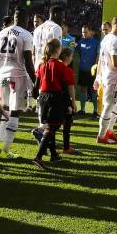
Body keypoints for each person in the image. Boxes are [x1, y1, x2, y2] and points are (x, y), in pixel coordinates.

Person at [0, 7, 36, 158]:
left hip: (3, 75)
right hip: (18, 75)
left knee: (5, 110)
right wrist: (35, 82)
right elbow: (29, 62)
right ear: (26, 19)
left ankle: (0, 146)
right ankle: (5, 150)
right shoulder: (26, 35)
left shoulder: (2, 32)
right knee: (15, 112)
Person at [33, 39, 75, 169]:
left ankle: (54, 155)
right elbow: (64, 88)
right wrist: (69, 104)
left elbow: (36, 86)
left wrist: (37, 99)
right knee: (51, 128)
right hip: (55, 98)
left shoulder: (42, 64)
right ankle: (38, 157)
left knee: (51, 127)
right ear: (57, 50)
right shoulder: (60, 66)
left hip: (43, 97)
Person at [95, 17, 117, 145]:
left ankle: (109, 130)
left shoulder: (106, 39)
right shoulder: (114, 40)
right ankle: (101, 135)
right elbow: (116, 62)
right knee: (109, 105)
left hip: (110, 77)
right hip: (112, 78)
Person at [76, 25, 99, 116]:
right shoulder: (80, 42)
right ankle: (82, 109)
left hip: (92, 70)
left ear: (91, 32)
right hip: (82, 69)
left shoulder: (96, 43)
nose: (83, 34)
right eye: (82, 32)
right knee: (83, 89)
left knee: (94, 90)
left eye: (85, 32)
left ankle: (96, 111)